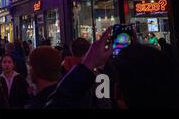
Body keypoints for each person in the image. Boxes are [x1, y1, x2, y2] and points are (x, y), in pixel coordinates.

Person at [46, 27, 179, 109]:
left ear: (118, 92)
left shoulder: (75, 71)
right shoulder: (100, 75)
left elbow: (58, 102)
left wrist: (88, 64)